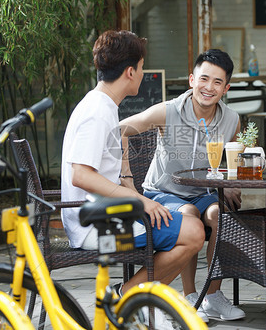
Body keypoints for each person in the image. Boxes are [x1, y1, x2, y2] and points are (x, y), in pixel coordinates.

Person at [60, 30, 205, 302]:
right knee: (194, 232)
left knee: (187, 223)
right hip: (96, 227)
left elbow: (110, 152)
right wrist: (137, 200)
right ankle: (125, 299)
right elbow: (80, 175)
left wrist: (128, 182)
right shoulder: (97, 112)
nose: (142, 73)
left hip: (104, 215)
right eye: (141, 68)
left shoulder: (102, 105)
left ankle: (133, 300)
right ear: (129, 71)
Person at [120, 49, 245, 322]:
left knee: (220, 218)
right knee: (189, 216)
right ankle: (191, 297)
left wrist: (233, 184)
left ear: (226, 88)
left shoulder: (231, 119)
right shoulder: (168, 111)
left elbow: (232, 154)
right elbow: (121, 129)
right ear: (192, 80)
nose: (208, 87)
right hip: (163, 192)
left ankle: (211, 296)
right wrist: (126, 177)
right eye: (204, 79)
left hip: (204, 192)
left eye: (217, 82)